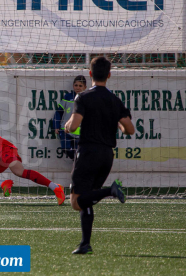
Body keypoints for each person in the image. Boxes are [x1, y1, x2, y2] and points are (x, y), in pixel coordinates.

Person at [64, 57, 135, 254]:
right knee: (87, 198)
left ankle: (110, 191)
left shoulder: (83, 97)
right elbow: (130, 129)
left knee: (77, 203)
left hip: (88, 152)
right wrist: (118, 124)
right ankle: (85, 243)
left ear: (90, 74)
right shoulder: (115, 100)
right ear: (109, 75)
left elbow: (74, 125)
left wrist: (67, 125)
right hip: (106, 155)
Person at [53, 75, 87, 159]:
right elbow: (59, 112)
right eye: (76, 85)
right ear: (73, 86)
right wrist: (56, 126)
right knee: (66, 148)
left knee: (79, 153)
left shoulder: (87, 99)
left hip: (80, 133)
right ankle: (76, 162)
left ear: (85, 87)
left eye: (80, 86)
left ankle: (77, 164)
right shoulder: (67, 97)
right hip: (66, 130)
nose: (78, 87)